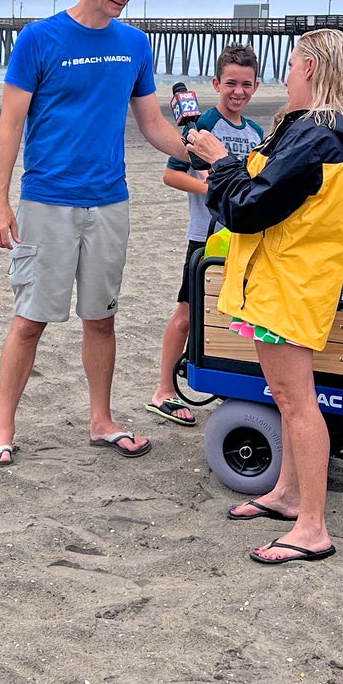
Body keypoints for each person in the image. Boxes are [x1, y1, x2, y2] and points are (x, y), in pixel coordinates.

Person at [0, 0, 190, 466]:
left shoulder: (134, 46)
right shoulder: (39, 38)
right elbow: (10, 124)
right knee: (30, 318)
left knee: (101, 318)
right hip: (47, 198)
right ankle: (2, 429)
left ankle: (102, 420)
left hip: (109, 201)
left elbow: (152, 125)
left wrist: (200, 152)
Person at [188, 28, 343, 566]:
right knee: (287, 398)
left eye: (292, 65)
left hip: (289, 282)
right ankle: (290, 496)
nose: (287, 75)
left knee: (295, 400)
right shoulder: (324, 130)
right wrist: (227, 165)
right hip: (289, 278)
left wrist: (220, 159)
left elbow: (248, 207)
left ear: (311, 67)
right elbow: (264, 187)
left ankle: (313, 526)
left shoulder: (317, 135)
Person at [146, 45, 263, 427]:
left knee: (235, 316)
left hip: (243, 238)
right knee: (187, 313)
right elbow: (171, 174)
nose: (238, 91)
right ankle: (163, 389)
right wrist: (213, 190)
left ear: (256, 87)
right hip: (206, 237)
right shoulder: (203, 125)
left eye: (246, 84)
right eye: (230, 83)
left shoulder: (257, 131)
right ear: (216, 83)